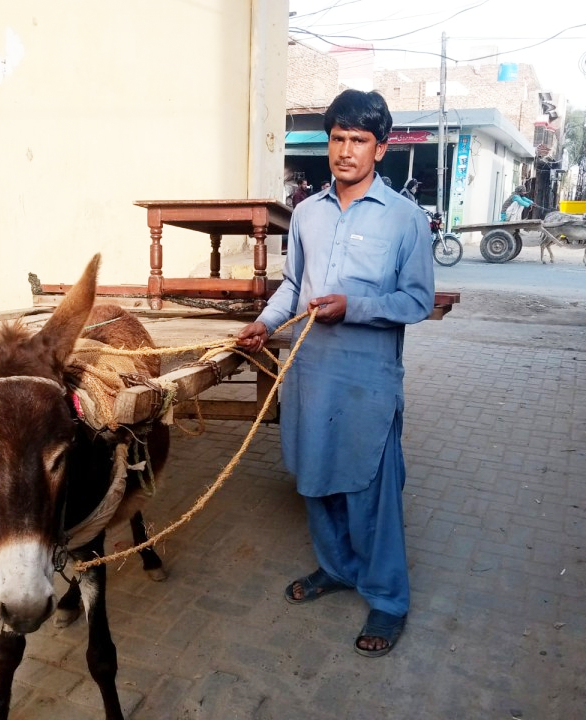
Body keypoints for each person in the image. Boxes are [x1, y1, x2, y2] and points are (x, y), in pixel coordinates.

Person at [236, 89, 435, 658]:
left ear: (381, 148)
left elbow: (417, 300)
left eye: (359, 140)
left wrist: (355, 306)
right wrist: (264, 323)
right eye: (338, 138)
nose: (346, 151)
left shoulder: (405, 219)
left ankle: (388, 598)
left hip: (368, 381)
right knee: (314, 479)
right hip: (310, 374)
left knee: (371, 493)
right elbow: (293, 286)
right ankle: (338, 568)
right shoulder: (306, 213)